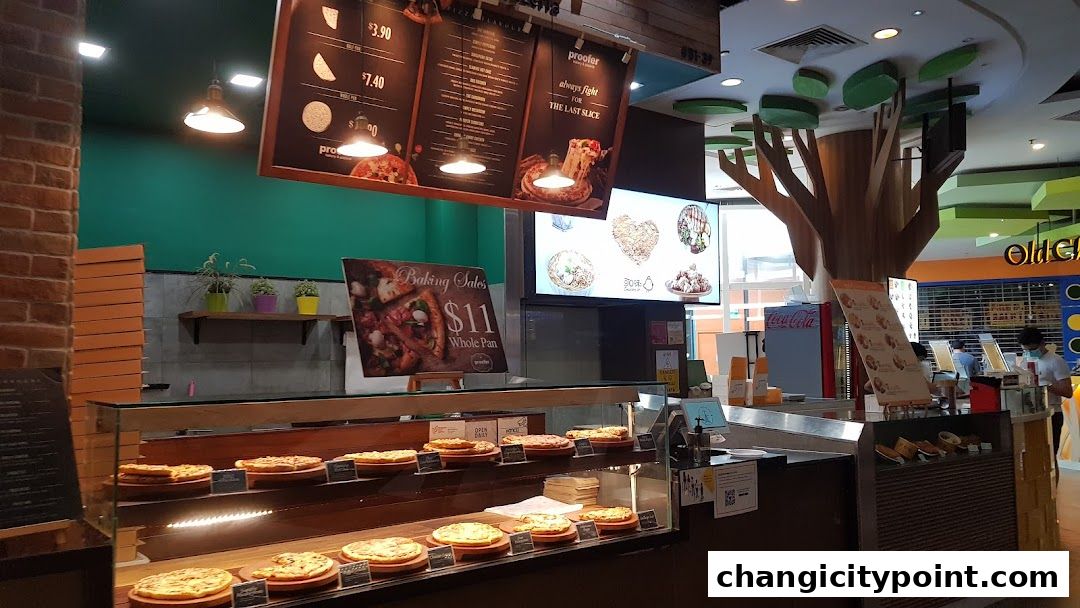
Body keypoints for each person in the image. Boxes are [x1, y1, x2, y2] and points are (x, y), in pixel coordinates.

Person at [1017, 327, 1073, 476]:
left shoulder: (1055, 361)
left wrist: (1045, 386)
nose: (1029, 352)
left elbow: (1068, 392)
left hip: (1052, 414)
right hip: (1031, 413)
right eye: (1026, 350)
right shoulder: (1026, 361)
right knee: (1032, 456)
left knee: (1050, 455)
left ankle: (1053, 490)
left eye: (1033, 349)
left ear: (1042, 343)